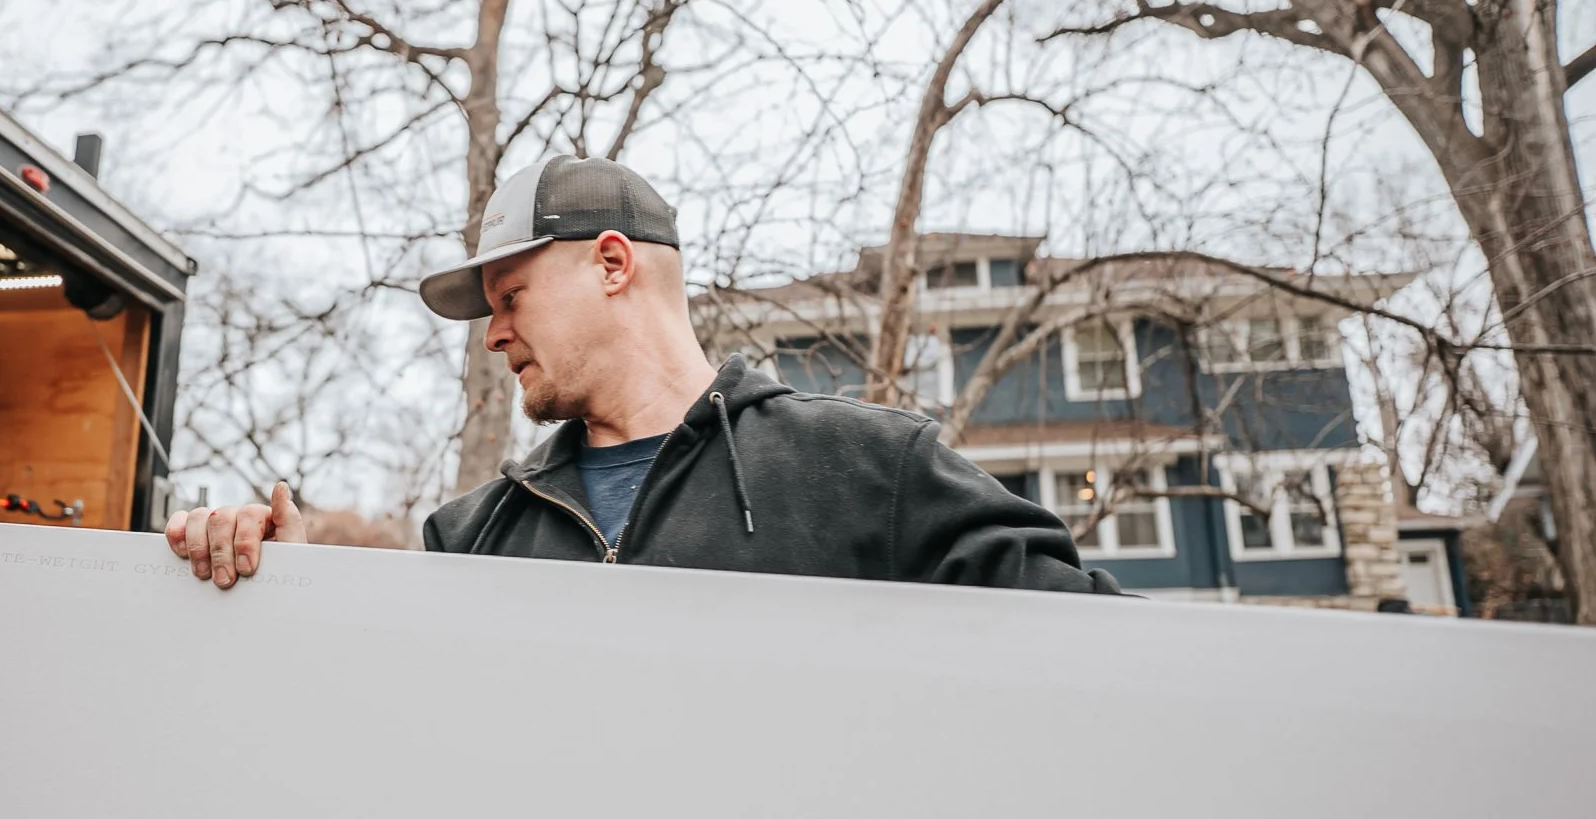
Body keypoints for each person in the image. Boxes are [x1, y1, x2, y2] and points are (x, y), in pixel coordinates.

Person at [168, 155, 1122, 597]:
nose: (493, 335)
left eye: (511, 296)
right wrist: (295, 590)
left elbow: (1126, 669)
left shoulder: (868, 472)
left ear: (614, 264)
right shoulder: (471, 539)